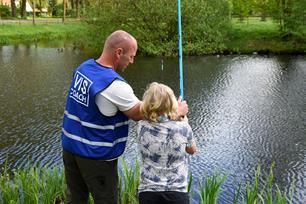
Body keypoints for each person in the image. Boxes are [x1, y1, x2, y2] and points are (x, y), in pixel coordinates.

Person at [61, 30, 188, 204]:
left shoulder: (84, 68)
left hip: (70, 148)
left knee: (75, 199)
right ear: (118, 52)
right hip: (95, 156)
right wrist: (175, 110)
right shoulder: (114, 85)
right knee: (107, 200)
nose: (132, 61)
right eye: (131, 56)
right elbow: (139, 113)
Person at [137, 82, 197, 204]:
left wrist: (177, 116)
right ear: (172, 103)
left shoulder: (141, 126)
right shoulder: (183, 128)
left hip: (148, 193)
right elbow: (192, 150)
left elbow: (157, 120)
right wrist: (183, 120)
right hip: (177, 192)